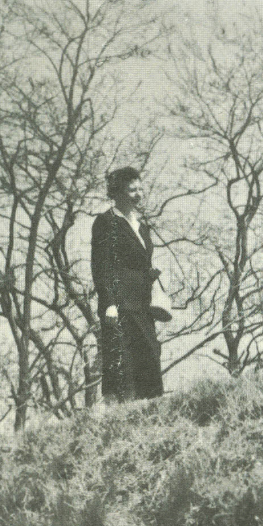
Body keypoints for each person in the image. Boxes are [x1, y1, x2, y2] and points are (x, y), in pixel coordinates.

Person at [90, 166, 164, 401]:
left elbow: (138, 261)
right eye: (132, 190)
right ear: (118, 192)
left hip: (143, 303)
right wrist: (109, 302)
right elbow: (101, 265)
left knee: (149, 356)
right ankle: (121, 415)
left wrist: (150, 273)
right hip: (120, 303)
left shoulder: (142, 226)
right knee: (123, 363)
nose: (138, 194)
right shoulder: (106, 221)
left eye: (140, 189)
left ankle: (150, 413)